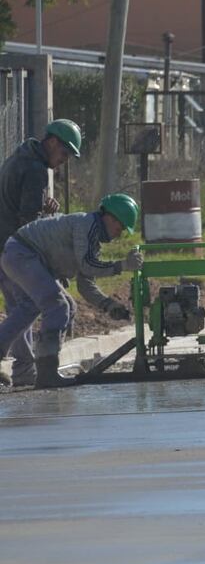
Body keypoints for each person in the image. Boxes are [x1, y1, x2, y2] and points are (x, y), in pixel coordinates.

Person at [0, 194, 143, 388]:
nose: (118, 234)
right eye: (119, 228)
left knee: (53, 306)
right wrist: (122, 265)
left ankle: (38, 371)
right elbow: (87, 265)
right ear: (110, 217)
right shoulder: (86, 224)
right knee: (57, 306)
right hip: (23, 254)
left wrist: (108, 305)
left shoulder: (93, 238)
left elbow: (85, 284)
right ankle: (47, 373)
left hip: (19, 255)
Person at [0, 119, 80, 386]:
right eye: (65, 153)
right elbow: (27, 223)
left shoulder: (18, 158)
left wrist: (44, 211)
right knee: (35, 304)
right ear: (53, 142)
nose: (65, 160)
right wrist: (47, 264)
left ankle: (24, 371)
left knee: (19, 308)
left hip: (3, 245)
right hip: (15, 249)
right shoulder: (35, 170)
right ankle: (37, 367)